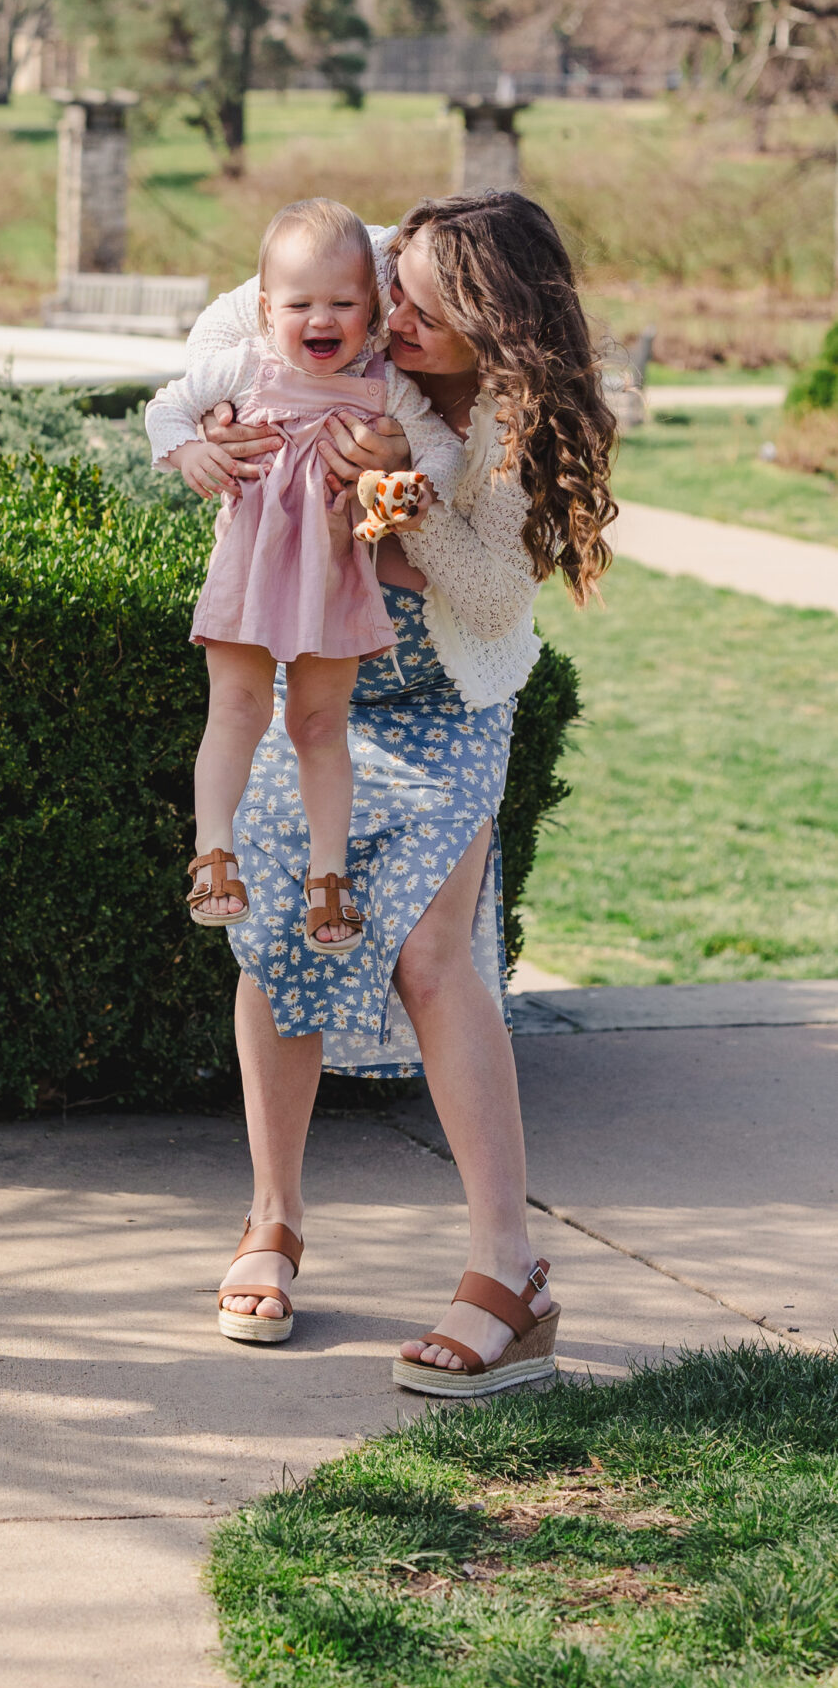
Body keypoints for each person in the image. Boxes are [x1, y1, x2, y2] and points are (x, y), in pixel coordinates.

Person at [145, 191, 616, 1394]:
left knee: (431, 957)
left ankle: (507, 1271)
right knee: (276, 939)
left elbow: (492, 596)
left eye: (425, 306)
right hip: (317, 692)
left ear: (495, 326)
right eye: (392, 286)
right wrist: (211, 434)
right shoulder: (341, 314)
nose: (391, 316)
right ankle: (273, 1222)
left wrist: (403, 502)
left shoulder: (511, 423)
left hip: (447, 703)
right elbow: (223, 344)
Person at [159, 198, 464, 950]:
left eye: (342, 303)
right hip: (248, 575)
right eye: (299, 304)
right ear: (267, 310)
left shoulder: (383, 386)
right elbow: (166, 406)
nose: (320, 319)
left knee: (319, 725)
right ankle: (213, 853)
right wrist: (189, 449)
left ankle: (327, 878)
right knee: (235, 709)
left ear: (372, 310)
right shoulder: (244, 368)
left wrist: (413, 480)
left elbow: (443, 452)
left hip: (335, 582)